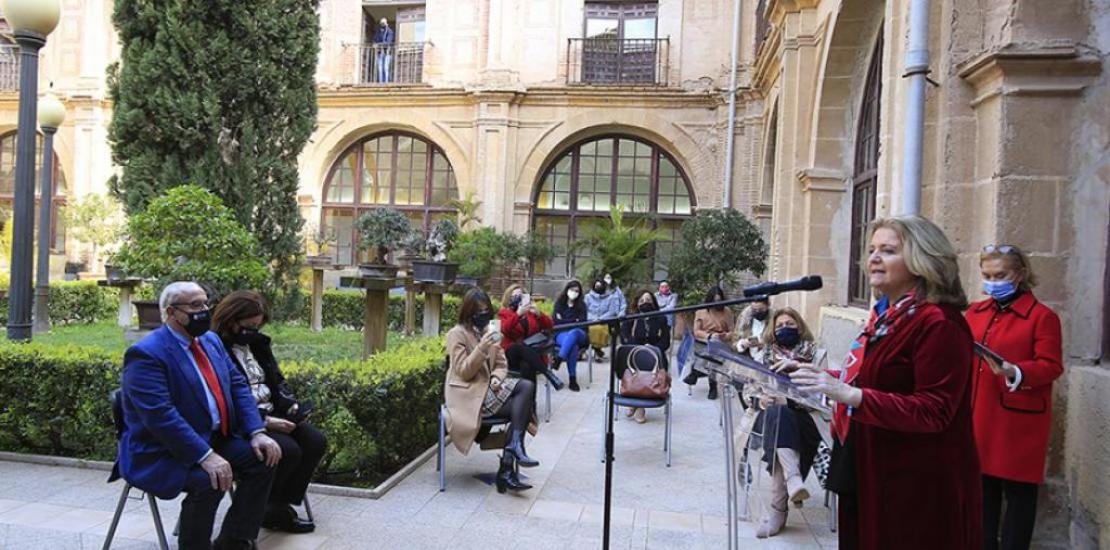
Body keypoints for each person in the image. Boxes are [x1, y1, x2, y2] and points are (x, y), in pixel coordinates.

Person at [789, 215, 981, 549]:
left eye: (888, 250)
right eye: (872, 249)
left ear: (923, 261)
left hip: (916, 486)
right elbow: (876, 380)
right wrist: (823, 378)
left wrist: (851, 395)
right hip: (871, 467)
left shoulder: (938, 323)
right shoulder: (886, 317)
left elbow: (935, 411)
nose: (873, 258)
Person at [117, 282, 282, 550]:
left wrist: (257, 432)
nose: (204, 311)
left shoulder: (210, 341)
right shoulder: (146, 354)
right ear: (171, 312)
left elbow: (238, 385)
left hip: (212, 437)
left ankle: (234, 541)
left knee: (265, 458)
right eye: (194, 305)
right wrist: (205, 456)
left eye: (205, 303)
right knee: (210, 481)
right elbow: (161, 417)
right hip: (162, 451)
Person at [965, 244, 1063, 550]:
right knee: (982, 494)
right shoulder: (975, 313)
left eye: (1000, 275)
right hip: (979, 415)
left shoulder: (1042, 317)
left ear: (1019, 274)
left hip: (1018, 423)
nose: (992, 282)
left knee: (1019, 497)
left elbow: (1051, 365)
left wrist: (1014, 371)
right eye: (987, 275)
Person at [212, 291, 327, 534]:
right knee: (288, 450)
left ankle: (275, 505)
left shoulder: (258, 345)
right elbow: (224, 399)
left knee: (315, 440)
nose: (253, 331)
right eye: (248, 326)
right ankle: (270, 509)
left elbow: (276, 381)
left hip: (271, 412)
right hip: (243, 421)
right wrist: (264, 422)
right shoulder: (215, 349)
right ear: (230, 321)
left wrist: (291, 408)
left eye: (258, 325)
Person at [445, 288, 539, 493]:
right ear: (469, 312)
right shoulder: (456, 334)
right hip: (468, 394)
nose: (484, 314)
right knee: (524, 395)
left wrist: (497, 378)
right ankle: (509, 460)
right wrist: (481, 348)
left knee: (523, 397)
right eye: (479, 310)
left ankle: (510, 458)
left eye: (487, 309)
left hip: (489, 390)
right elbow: (463, 371)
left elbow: (501, 364)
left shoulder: (490, 331)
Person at [748, 307, 825, 538]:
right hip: (769, 416)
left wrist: (791, 401)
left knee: (781, 417)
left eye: (790, 324)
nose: (785, 329)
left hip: (807, 418)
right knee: (776, 414)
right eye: (780, 325)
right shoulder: (763, 356)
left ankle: (778, 511)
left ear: (800, 327)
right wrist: (761, 399)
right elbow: (750, 389)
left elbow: (823, 395)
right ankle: (793, 481)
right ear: (773, 330)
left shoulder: (817, 355)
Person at [497, 283, 563, 389]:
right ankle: (548, 374)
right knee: (519, 346)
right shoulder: (504, 313)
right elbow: (505, 329)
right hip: (512, 354)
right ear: (508, 298)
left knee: (527, 365)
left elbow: (550, 325)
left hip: (531, 355)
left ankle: (530, 403)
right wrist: (517, 314)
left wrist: (539, 314)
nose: (517, 298)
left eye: (520, 296)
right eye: (514, 296)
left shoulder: (530, 312)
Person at [619, 290, 671, 423]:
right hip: (633, 352)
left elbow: (665, 341)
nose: (645, 303)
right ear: (637, 303)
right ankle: (636, 402)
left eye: (648, 300)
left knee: (649, 364)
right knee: (638, 361)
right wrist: (640, 348)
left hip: (655, 353)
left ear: (653, 302)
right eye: (642, 301)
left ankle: (639, 406)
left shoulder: (660, 318)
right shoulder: (631, 317)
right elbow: (625, 337)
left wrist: (653, 349)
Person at [686, 284, 737, 400]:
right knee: (712, 349)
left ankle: (696, 372)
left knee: (715, 351)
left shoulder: (727, 311)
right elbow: (697, 331)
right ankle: (712, 385)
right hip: (704, 342)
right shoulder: (701, 311)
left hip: (722, 343)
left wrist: (725, 336)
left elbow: (733, 331)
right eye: (714, 301)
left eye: (719, 301)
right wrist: (709, 336)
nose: (716, 303)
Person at [552, 280, 589, 392]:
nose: (574, 292)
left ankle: (560, 358)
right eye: (572, 290)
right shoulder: (559, 303)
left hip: (580, 334)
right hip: (561, 333)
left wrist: (565, 321)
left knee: (574, 333)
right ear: (567, 290)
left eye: (577, 291)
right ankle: (572, 379)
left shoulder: (582, 305)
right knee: (573, 346)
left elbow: (581, 323)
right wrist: (573, 321)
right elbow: (556, 321)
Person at [586, 277, 622, 360]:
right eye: (597, 286)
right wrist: (593, 319)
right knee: (592, 329)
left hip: (605, 321)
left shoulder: (611, 298)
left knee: (605, 328)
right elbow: (585, 310)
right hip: (590, 321)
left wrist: (600, 319)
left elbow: (612, 311)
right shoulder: (587, 297)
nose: (598, 287)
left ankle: (599, 350)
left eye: (600, 286)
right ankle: (597, 350)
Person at [735, 297, 771, 362]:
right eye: (754, 310)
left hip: (766, 359)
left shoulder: (775, 318)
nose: (757, 312)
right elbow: (735, 340)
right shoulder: (744, 317)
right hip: (748, 359)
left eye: (761, 310)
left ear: (768, 305)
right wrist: (741, 344)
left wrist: (764, 345)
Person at [372, 17, 395, 83]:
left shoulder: (389, 31)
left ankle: (386, 82)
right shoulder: (378, 32)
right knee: (380, 68)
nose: (382, 24)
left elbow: (388, 42)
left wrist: (378, 44)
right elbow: (374, 40)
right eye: (381, 23)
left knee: (385, 68)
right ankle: (381, 82)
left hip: (387, 52)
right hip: (379, 52)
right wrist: (374, 44)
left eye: (384, 23)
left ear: (386, 23)